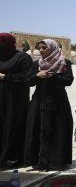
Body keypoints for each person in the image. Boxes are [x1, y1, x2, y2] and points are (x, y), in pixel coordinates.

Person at [24, 39, 74, 170]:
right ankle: (39, 160)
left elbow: (68, 80)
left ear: (52, 48)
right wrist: (38, 75)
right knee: (38, 129)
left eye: (44, 48)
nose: (41, 50)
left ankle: (56, 161)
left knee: (57, 130)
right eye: (39, 48)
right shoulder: (37, 64)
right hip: (39, 102)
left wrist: (52, 76)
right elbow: (28, 81)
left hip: (58, 103)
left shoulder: (64, 63)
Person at [0, 33, 33, 168]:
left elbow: (27, 78)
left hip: (15, 101)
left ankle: (12, 156)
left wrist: (5, 77)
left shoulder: (23, 58)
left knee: (12, 126)